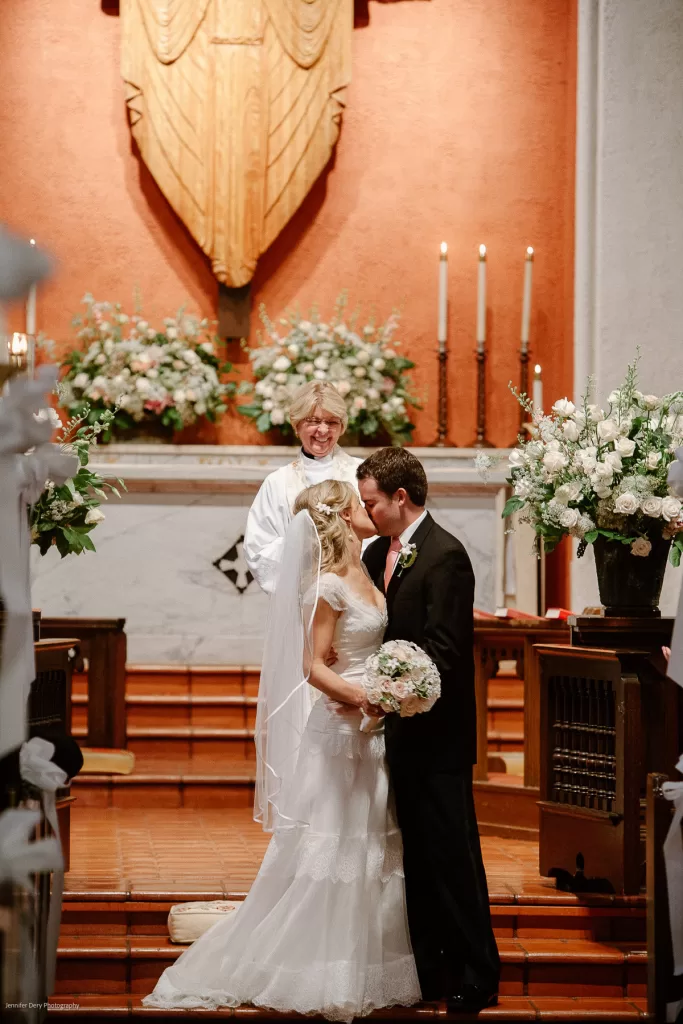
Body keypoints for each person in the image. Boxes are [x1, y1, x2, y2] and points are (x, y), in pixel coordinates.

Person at [144, 480, 421, 1022]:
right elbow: (312, 665)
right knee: (332, 851)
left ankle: (363, 964)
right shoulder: (326, 585)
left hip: (374, 729)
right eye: (357, 505)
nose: (368, 509)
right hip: (343, 731)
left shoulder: (365, 569)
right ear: (340, 518)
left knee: (370, 851)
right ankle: (316, 966)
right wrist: (363, 695)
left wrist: (391, 690)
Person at [358, 446, 500, 1014]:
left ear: (401, 496)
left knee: (451, 855)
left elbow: (444, 651)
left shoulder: (446, 556)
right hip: (393, 735)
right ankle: (432, 968)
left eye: (373, 502)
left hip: (437, 737)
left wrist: (389, 694)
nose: (366, 512)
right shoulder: (374, 556)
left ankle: (477, 972)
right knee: (414, 856)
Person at [243, 381, 361, 593]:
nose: (323, 430)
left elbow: (382, 535)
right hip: (301, 597)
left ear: (342, 426)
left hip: (357, 591)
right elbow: (259, 550)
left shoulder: (362, 473)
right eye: (313, 421)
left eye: (332, 422)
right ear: (296, 425)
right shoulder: (278, 482)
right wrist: (309, 550)